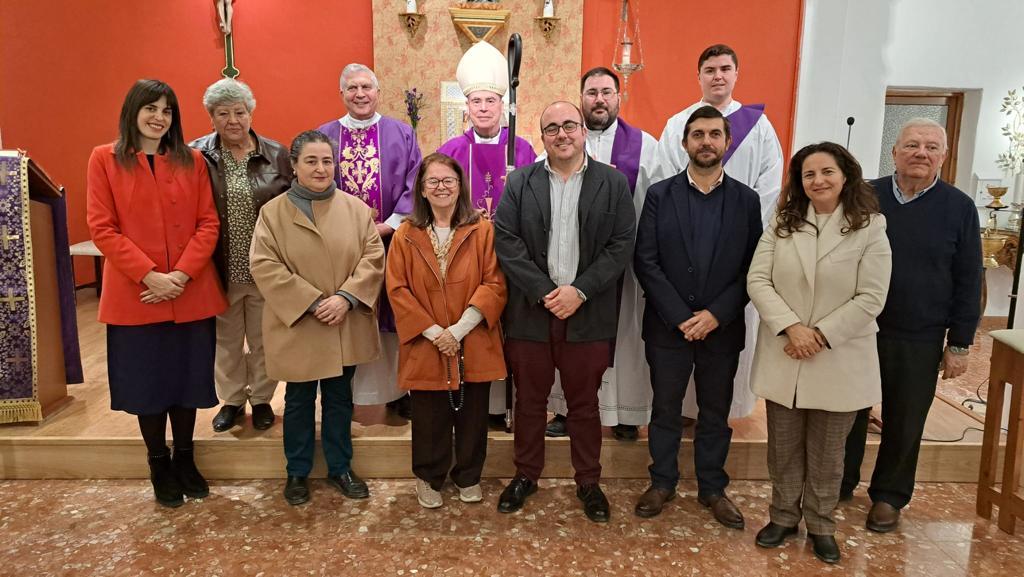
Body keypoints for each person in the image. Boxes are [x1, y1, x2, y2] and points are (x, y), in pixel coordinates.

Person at [747, 142, 892, 564]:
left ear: (845, 175)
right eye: (809, 174)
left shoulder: (870, 226)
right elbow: (758, 279)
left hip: (838, 354)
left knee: (829, 453)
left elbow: (872, 295)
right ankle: (783, 516)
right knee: (784, 446)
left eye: (826, 172)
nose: (818, 181)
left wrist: (820, 335)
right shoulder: (783, 221)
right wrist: (793, 328)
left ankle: (822, 524)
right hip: (786, 349)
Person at [87, 79, 227, 508]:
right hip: (136, 294)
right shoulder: (104, 160)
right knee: (149, 385)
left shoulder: (194, 160)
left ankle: (185, 457)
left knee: (187, 382)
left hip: (190, 291)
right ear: (133, 111)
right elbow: (101, 227)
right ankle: (157, 462)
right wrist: (150, 276)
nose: (158, 117)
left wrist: (181, 275)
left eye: (167, 110)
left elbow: (209, 223)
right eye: (151, 108)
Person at [493, 101, 635, 523]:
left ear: (583, 132)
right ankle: (525, 475)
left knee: (584, 404)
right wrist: (544, 292)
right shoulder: (520, 182)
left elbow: (621, 244)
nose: (562, 134)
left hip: (588, 315)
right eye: (551, 127)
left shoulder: (612, 183)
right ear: (543, 137)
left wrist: (580, 292)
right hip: (531, 314)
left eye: (569, 125)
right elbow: (507, 241)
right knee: (530, 401)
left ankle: (588, 482)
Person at [842, 118, 982, 532]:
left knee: (905, 419)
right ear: (895, 152)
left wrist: (959, 343)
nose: (922, 153)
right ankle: (841, 482)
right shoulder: (866, 195)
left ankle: (889, 496)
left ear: (943, 155)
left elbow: (969, 277)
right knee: (847, 412)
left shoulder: (959, 207)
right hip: (859, 327)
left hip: (919, 333)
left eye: (931, 147)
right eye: (913, 145)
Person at [632, 106, 761, 528]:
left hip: (721, 330)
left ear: (726, 142)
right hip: (668, 327)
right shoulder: (660, 195)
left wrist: (715, 315)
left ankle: (712, 488)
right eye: (698, 135)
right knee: (665, 410)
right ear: (684, 143)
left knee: (713, 413)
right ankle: (662, 482)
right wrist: (680, 316)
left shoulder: (746, 199)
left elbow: (753, 267)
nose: (706, 142)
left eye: (714, 135)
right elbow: (646, 260)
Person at [249, 130, 386, 506]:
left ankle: (340, 466)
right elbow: (264, 265)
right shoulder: (273, 214)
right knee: (298, 400)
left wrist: (345, 297)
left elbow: (373, 258)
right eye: (311, 161)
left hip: (344, 320)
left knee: (340, 399)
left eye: (327, 160)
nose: (321, 168)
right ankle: (297, 472)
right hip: (301, 324)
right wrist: (311, 302)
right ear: (293, 165)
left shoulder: (356, 209)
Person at [656, 43, 784, 422]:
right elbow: (663, 180)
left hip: (734, 254)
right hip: (684, 250)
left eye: (725, 69)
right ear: (699, 76)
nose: (718, 76)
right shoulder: (678, 123)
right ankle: (682, 413)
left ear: (736, 74)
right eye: (710, 69)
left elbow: (770, 186)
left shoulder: (758, 125)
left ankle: (723, 412)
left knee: (725, 340)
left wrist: (741, 233)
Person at [386, 153, 508, 508]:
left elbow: (494, 283)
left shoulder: (481, 229)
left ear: (460, 187)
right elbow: (397, 289)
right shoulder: (406, 234)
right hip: (427, 341)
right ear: (422, 190)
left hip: (471, 337)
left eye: (448, 181)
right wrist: (434, 332)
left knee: (472, 415)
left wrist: (458, 330)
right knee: (429, 415)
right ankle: (429, 477)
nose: (441, 188)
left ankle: (468, 475)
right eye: (433, 182)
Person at [546, 66, 660, 442]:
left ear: (618, 97)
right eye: (591, 92)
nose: (599, 99)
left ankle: (626, 411)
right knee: (569, 334)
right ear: (581, 98)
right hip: (571, 266)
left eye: (606, 92)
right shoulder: (565, 140)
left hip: (623, 266)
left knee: (626, 334)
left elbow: (652, 205)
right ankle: (565, 409)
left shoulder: (645, 144)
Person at [436, 41, 535, 425]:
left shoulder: (523, 149)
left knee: (510, 329)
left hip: (513, 257)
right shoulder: (450, 151)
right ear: (467, 106)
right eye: (476, 101)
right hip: (465, 257)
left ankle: (507, 407)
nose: (483, 108)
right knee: (474, 326)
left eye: (490, 101)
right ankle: (475, 402)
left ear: (502, 105)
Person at [316, 63, 422, 416]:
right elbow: (314, 186)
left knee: (393, 316)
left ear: (378, 92)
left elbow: (414, 183)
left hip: (392, 242)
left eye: (366, 87)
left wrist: (387, 225)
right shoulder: (324, 136)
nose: (360, 94)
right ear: (341, 94)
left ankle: (396, 393)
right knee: (349, 314)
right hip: (341, 248)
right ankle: (344, 395)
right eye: (352, 88)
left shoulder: (401, 133)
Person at [189, 78, 292, 433]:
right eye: (223, 113)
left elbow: (292, 210)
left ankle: (262, 399)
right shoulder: (195, 154)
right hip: (219, 266)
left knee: (265, 338)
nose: (233, 120)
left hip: (266, 266)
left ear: (251, 113)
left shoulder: (278, 154)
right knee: (227, 340)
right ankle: (231, 400)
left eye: (240, 112)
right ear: (211, 117)